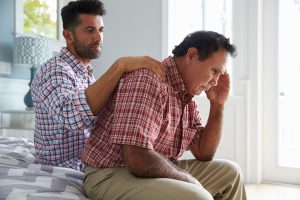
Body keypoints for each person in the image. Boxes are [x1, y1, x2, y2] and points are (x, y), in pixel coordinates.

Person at [82, 30, 248, 200]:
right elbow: (136, 157)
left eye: (220, 74)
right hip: (111, 174)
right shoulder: (148, 79)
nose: (215, 81)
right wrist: (187, 179)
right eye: (214, 71)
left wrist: (218, 105)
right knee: (197, 197)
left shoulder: (186, 96)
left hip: (151, 169)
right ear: (191, 56)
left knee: (231, 174)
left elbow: (204, 152)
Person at [31, 0, 164, 172]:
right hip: (65, 168)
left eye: (101, 30)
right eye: (89, 30)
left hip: (90, 162)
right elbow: (72, 117)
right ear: (68, 36)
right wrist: (120, 66)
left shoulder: (87, 74)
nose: (98, 37)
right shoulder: (55, 70)